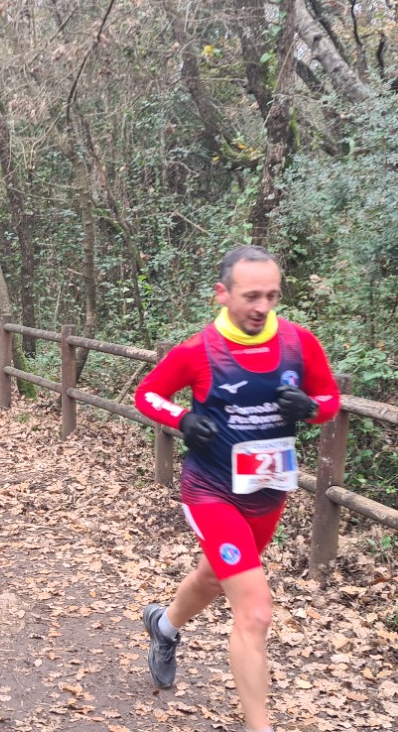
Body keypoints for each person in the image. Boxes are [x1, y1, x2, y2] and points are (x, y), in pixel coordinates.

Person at [133, 245, 340, 732]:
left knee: (212, 578)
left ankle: (164, 626)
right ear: (222, 294)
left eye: (272, 296)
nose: (262, 306)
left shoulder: (299, 344)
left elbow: (329, 399)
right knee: (255, 611)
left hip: (268, 491)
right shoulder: (199, 350)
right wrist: (183, 419)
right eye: (251, 296)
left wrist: (310, 409)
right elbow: (148, 394)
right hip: (210, 491)